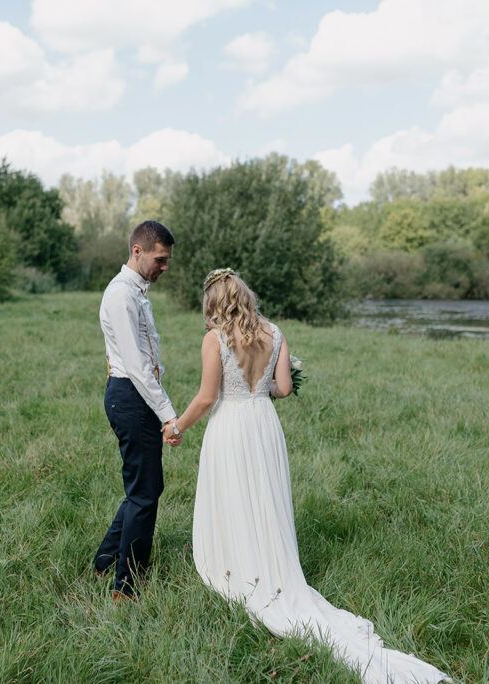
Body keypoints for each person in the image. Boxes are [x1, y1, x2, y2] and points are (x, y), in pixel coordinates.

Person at [164, 269, 450, 684]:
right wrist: (261, 386)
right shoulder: (275, 333)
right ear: (245, 296)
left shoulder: (215, 339)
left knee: (234, 495)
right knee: (265, 496)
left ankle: (236, 565)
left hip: (231, 427)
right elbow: (282, 389)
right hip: (264, 425)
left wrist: (176, 427)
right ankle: (271, 565)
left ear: (214, 303)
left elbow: (208, 396)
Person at [95, 220, 182, 600]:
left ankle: (104, 562)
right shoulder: (122, 296)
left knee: (145, 487)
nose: (165, 266)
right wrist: (168, 414)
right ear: (137, 251)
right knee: (144, 492)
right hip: (131, 395)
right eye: (160, 259)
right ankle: (126, 587)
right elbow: (137, 365)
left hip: (134, 394)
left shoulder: (136, 291)